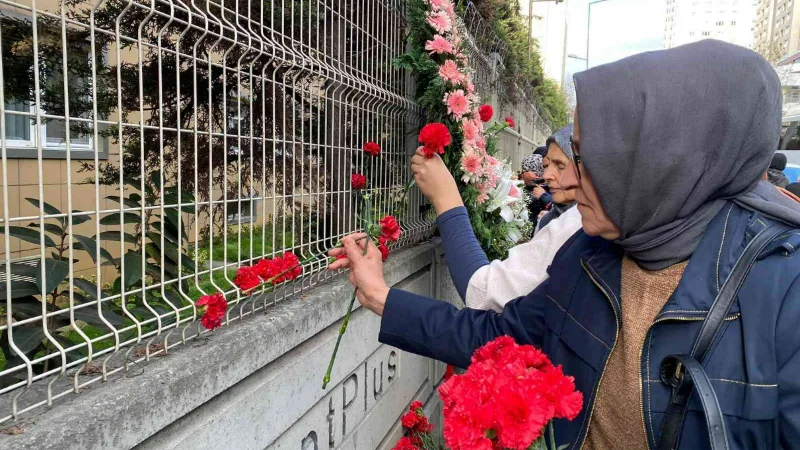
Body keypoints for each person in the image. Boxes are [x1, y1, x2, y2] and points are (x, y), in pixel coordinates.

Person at [331, 40, 800, 449]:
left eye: (586, 157)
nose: (570, 176)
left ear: (661, 161)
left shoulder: (784, 293)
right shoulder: (590, 255)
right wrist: (380, 296)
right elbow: (498, 337)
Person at [536, 124, 577, 233]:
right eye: (547, 165)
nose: (546, 176)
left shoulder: (600, 234)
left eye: (560, 166)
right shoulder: (547, 221)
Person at [520, 153, 551, 227]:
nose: (524, 174)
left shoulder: (551, 187)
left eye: (528, 170)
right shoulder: (525, 187)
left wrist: (543, 196)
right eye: (523, 171)